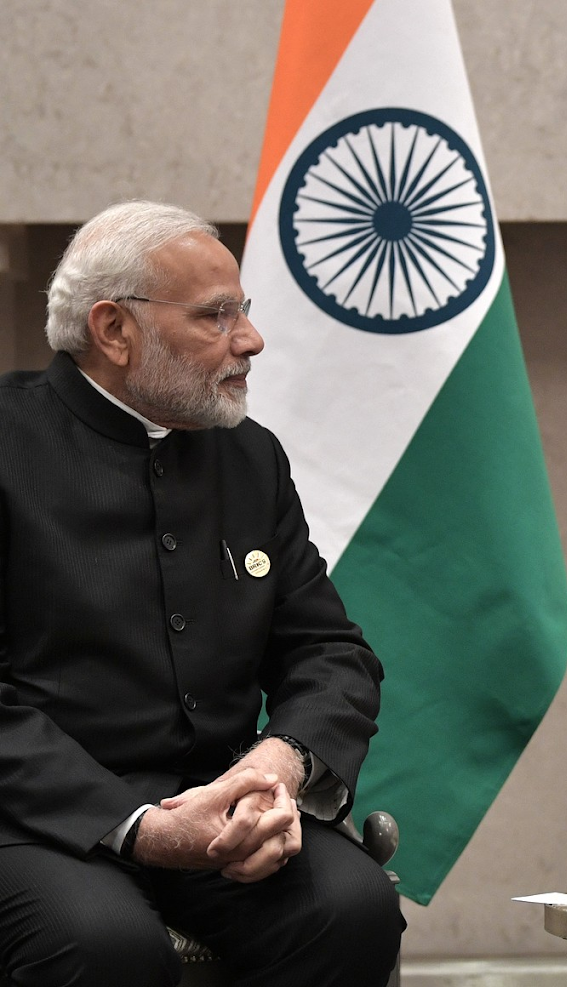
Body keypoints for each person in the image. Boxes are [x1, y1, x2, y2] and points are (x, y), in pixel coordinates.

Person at [0, 200, 404, 986]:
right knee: (104, 945)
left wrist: (278, 767)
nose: (250, 339)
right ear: (114, 329)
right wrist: (138, 826)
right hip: (37, 820)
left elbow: (329, 651)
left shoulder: (249, 457)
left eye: (242, 311)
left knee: (352, 908)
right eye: (216, 315)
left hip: (220, 807)